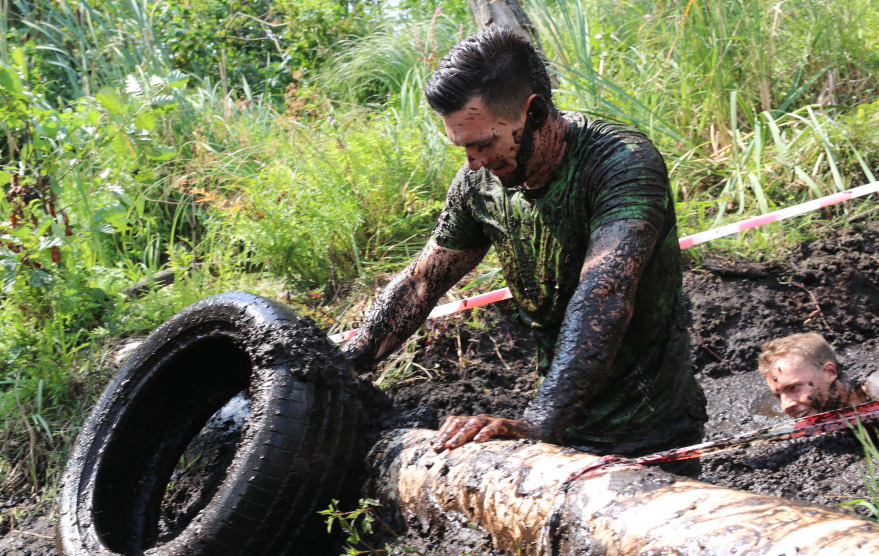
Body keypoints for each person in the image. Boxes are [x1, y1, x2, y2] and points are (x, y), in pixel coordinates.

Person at [342, 25, 707, 456]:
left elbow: (604, 295)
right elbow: (423, 283)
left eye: (483, 144)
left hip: (649, 421)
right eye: (462, 148)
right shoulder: (478, 186)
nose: (474, 163)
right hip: (564, 417)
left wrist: (538, 421)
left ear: (533, 113)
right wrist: (344, 364)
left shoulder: (621, 164)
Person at [758, 333, 878, 419]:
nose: (785, 406)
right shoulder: (823, 411)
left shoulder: (875, 388)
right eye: (778, 396)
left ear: (829, 373)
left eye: (794, 388)